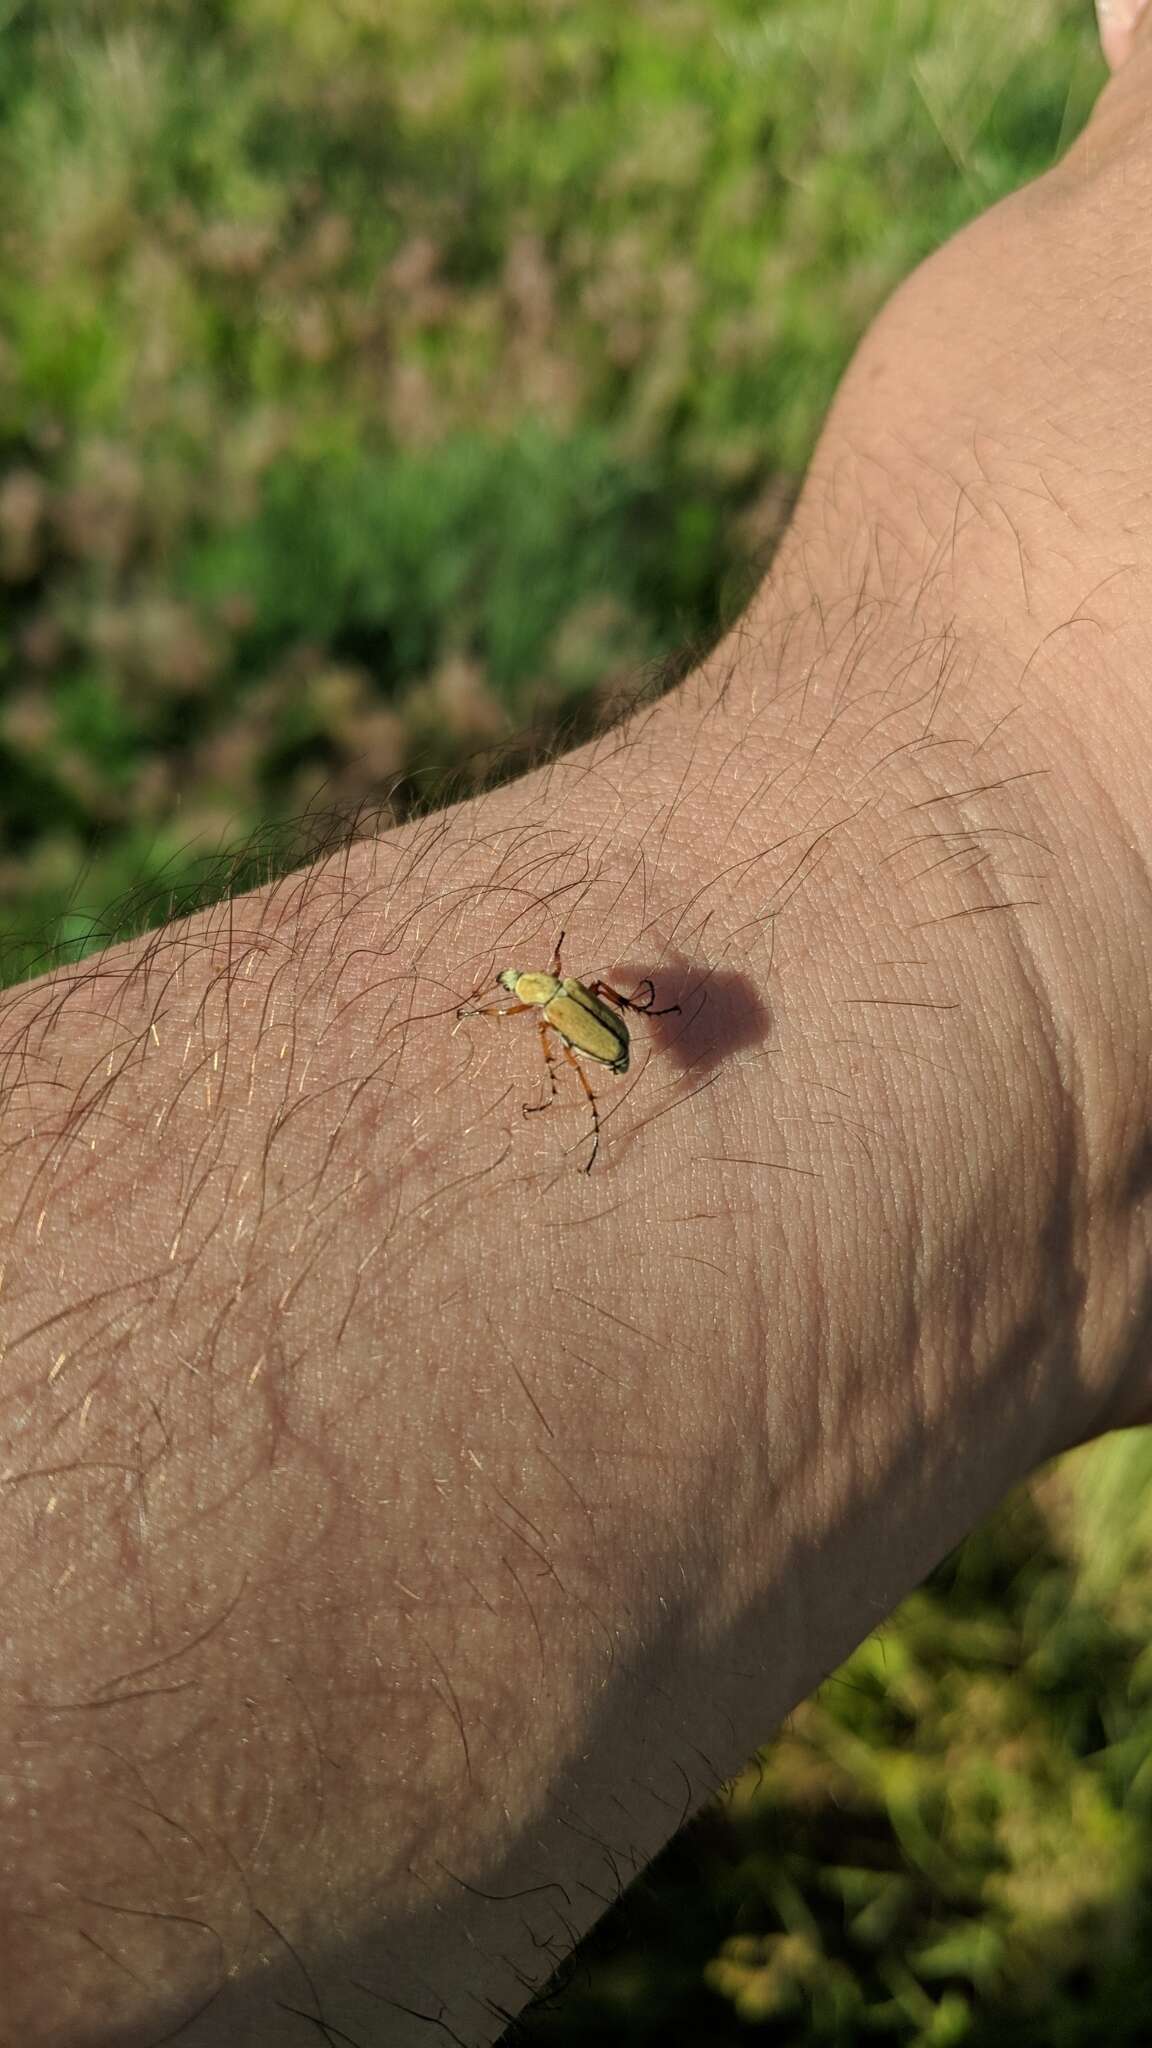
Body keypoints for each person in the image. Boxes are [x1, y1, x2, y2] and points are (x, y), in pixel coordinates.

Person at [4, 9, 1152, 2043]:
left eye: (550, 992)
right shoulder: (573, 1007)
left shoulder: (582, 1004)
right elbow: (599, 1008)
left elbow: (605, 1004)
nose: (550, 1003)